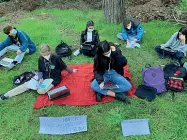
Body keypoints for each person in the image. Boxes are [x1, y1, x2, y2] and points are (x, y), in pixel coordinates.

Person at [0, 44, 77, 101]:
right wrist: (40, 78)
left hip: (54, 78)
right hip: (43, 77)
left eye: (46, 55)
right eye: (43, 55)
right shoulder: (40, 59)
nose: (45, 56)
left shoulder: (56, 57)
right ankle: (6, 95)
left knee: (40, 91)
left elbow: (64, 66)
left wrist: (72, 71)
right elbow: (40, 70)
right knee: (26, 85)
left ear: (49, 51)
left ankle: (39, 86)